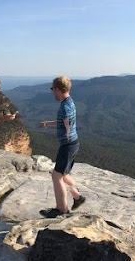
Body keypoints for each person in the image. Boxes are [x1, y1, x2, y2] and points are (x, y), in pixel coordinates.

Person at [38, 76, 85, 218]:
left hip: (67, 145)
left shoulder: (64, 106)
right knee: (63, 174)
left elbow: (67, 126)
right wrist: (47, 124)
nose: (53, 92)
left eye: (53, 89)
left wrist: (66, 135)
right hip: (73, 144)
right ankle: (78, 197)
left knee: (56, 176)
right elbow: (63, 122)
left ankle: (61, 209)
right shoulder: (70, 102)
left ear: (57, 89)